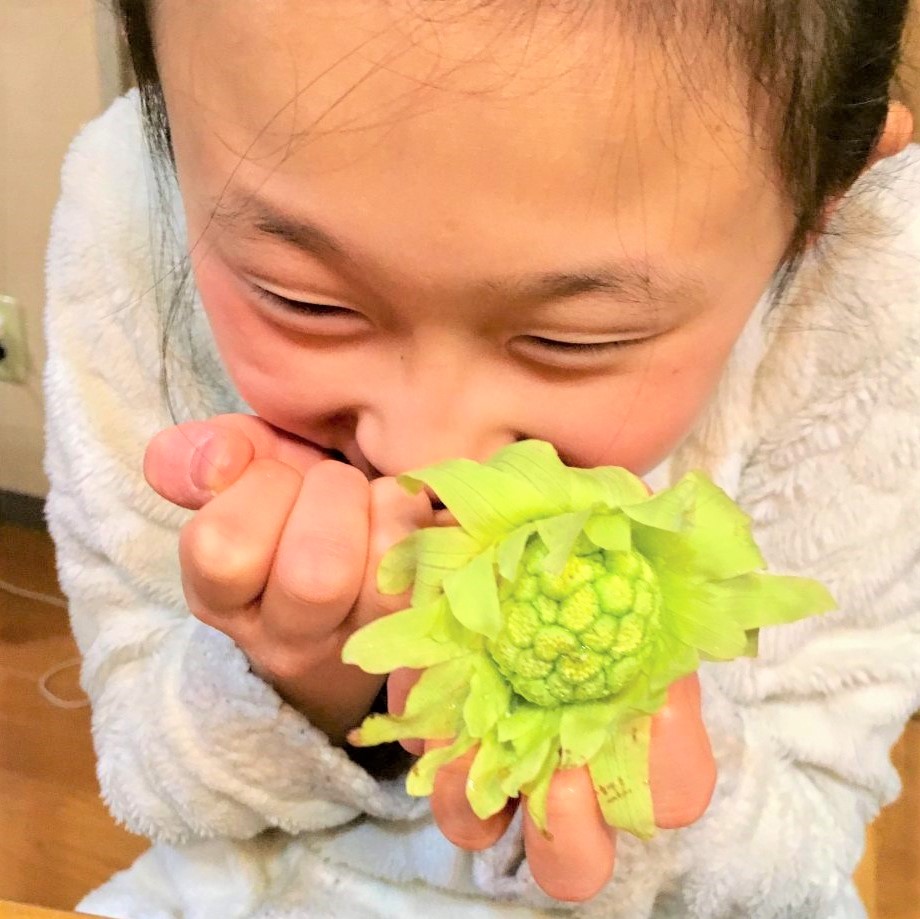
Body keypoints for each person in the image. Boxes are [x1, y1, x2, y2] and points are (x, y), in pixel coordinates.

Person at [42, 1, 920, 916]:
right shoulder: (128, 208)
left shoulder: (882, 289)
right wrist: (300, 690)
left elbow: (809, 844)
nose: (426, 453)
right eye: (302, 300)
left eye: (573, 338)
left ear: (822, 201)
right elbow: (147, 769)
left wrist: (675, 807)